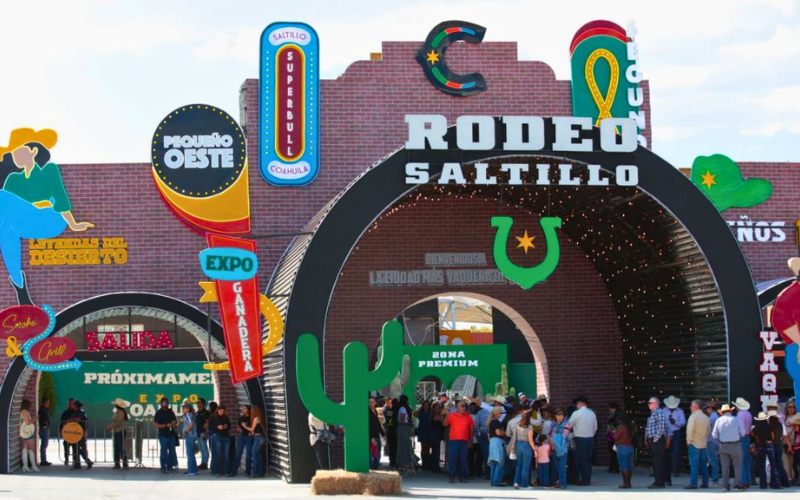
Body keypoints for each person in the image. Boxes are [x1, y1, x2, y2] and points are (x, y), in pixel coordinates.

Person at [0, 130, 94, 305]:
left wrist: (73, 224)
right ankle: (22, 292)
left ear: (33, 152)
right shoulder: (13, 180)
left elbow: (59, 198)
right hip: (25, 223)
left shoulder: (49, 170)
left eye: (19, 151)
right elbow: (10, 209)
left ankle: (20, 288)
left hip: (50, 220)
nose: (15, 155)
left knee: (2, 200)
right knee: (5, 230)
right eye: (13, 153)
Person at [712, 403, 745, 492]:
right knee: (737, 466)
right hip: (735, 445)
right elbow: (743, 433)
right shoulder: (736, 419)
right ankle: (738, 485)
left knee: (725, 466)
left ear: (722, 412)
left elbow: (714, 435)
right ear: (730, 411)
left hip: (723, 445)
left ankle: (725, 486)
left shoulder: (718, 420)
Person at [443, 399, 474, 483]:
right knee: (453, 458)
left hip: (464, 441)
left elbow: (472, 429)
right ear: (457, 407)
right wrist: (447, 415)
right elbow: (444, 423)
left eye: (465, 406)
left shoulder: (468, 417)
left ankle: (462, 476)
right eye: (462, 406)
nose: (464, 408)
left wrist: (470, 440)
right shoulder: (451, 416)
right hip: (454, 441)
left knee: (463, 459)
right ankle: (451, 476)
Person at [568, 395, 597, 486]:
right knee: (588, 459)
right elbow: (595, 427)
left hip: (580, 438)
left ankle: (585, 479)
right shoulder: (592, 413)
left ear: (580, 403)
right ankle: (587, 477)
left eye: (577, 404)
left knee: (581, 459)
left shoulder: (576, 413)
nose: (576, 405)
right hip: (590, 438)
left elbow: (569, 425)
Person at [645, 397, 670, 489]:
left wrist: (656, 438)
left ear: (656, 404)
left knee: (658, 462)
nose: (649, 404)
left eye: (650, 403)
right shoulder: (653, 414)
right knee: (656, 461)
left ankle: (659, 482)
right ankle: (659, 481)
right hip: (654, 440)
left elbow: (661, 426)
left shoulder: (659, 412)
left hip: (658, 440)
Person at [684, 399, 709, 489]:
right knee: (703, 464)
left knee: (694, 464)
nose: (690, 407)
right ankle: (705, 482)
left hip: (694, 443)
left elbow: (690, 430)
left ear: (695, 407)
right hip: (703, 443)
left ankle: (693, 483)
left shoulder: (693, 417)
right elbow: (708, 431)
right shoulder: (706, 417)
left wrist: (689, 441)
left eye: (691, 406)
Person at [751, 411, 780, 489]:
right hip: (769, 444)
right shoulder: (769, 427)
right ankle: (774, 483)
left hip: (761, 446)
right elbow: (773, 437)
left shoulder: (756, 428)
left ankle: (763, 484)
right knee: (772, 464)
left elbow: (756, 439)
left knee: (762, 465)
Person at [662, 395, 685, 482]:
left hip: (676, 432)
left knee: (676, 451)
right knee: (666, 451)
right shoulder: (664, 410)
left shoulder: (680, 411)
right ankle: (667, 469)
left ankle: (676, 470)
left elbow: (683, 423)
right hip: (666, 432)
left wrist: (675, 422)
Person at [732, 397, 752, 488]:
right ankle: (747, 480)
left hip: (741, 438)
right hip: (747, 437)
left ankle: (743, 481)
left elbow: (740, 427)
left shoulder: (740, 414)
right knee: (746, 460)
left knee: (740, 460)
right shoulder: (748, 413)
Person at [153, 397, 177, 474]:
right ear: (161, 404)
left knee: (172, 451)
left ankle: (170, 466)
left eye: (166, 402)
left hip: (171, 434)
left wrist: (174, 423)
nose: (165, 404)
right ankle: (163, 466)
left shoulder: (170, 411)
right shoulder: (158, 413)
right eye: (163, 402)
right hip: (163, 435)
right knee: (164, 451)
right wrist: (166, 425)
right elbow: (156, 425)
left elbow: (175, 420)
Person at [511, 410, 534, 489]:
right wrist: (534, 449)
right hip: (526, 445)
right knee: (526, 466)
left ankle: (516, 482)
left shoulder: (518, 424)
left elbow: (514, 436)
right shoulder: (529, 426)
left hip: (518, 444)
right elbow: (530, 439)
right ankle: (524, 484)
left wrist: (513, 447)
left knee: (519, 465)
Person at [549, 407, 571, 489]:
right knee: (556, 466)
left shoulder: (566, 424)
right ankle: (559, 482)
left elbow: (564, 435)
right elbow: (549, 434)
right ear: (555, 415)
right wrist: (550, 439)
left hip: (563, 447)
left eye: (561, 414)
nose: (560, 416)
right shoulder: (553, 424)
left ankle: (562, 483)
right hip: (554, 447)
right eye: (558, 414)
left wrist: (552, 439)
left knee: (562, 466)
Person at [767, 409, 791, 487]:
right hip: (779, 444)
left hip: (772, 445)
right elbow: (785, 436)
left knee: (773, 464)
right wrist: (789, 445)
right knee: (780, 463)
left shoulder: (769, 426)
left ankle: (776, 482)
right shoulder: (781, 425)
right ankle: (785, 481)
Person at [105, 398, 130, 470]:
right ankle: (117, 463)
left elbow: (118, 422)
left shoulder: (120, 412)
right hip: (117, 431)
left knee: (121, 447)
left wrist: (110, 427)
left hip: (120, 431)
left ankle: (124, 464)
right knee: (117, 447)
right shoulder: (119, 411)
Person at [209, 404, 231, 477]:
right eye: (220, 411)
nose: (221, 412)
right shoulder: (213, 417)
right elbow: (210, 427)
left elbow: (229, 426)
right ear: (217, 410)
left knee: (226, 455)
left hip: (225, 436)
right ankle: (216, 471)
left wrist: (226, 426)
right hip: (217, 436)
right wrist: (217, 427)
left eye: (223, 411)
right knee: (217, 454)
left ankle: (226, 471)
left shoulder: (226, 417)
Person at [231, 405, 253, 477]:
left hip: (249, 437)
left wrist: (247, 427)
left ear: (248, 410)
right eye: (242, 408)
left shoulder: (251, 418)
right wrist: (239, 429)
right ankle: (234, 471)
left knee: (249, 454)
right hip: (242, 436)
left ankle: (248, 472)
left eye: (245, 408)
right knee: (238, 453)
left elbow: (253, 427)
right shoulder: (241, 418)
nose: (243, 410)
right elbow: (238, 427)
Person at [395, 395, 415, 473]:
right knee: (405, 445)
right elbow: (402, 419)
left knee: (405, 445)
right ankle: (404, 462)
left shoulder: (400, 408)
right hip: (403, 428)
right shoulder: (403, 409)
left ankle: (405, 462)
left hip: (403, 428)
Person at [614, 412, 634, 488]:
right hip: (630, 447)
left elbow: (615, 437)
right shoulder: (631, 427)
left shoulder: (622, 427)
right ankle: (629, 482)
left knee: (624, 466)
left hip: (622, 448)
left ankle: (625, 483)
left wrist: (615, 431)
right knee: (629, 467)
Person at [487, 406, 506, 486]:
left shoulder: (490, 422)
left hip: (492, 442)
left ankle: (493, 481)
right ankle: (497, 481)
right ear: (497, 413)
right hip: (497, 442)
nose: (501, 414)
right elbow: (498, 433)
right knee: (499, 462)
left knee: (494, 463)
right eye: (500, 413)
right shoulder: (496, 422)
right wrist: (505, 433)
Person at [245, 405, 266, 478]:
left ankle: (255, 473)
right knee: (259, 455)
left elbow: (252, 429)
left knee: (255, 456)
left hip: (258, 438)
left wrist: (244, 426)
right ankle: (261, 472)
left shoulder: (256, 418)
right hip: (262, 437)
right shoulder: (262, 418)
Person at [19, 399, 39, 472]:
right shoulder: (26, 412)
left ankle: (25, 466)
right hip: (28, 433)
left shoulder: (22, 412)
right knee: (31, 449)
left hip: (24, 433)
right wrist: (35, 419)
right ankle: (33, 466)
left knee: (25, 448)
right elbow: (28, 422)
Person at [72, 400, 93, 470]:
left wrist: (70, 419)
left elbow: (78, 419)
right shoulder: (81, 411)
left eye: (74, 404)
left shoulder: (79, 412)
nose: (73, 406)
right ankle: (78, 463)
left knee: (77, 448)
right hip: (80, 432)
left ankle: (87, 461)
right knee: (77, 448)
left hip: (79, 433)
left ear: (76, 406)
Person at [704, 402, 721, 486]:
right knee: (713, 461)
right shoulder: (716, 417)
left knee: (712, 461)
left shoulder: (712, 418)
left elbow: (705, 428)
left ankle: (715, 480)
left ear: (710, 408)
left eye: (707, 408)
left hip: (710, 441)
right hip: (715, 441)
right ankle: (714, 479)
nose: (706, 410)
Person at [783, 399, 799, 484]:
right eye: (789, 407)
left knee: (795, 462)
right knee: (787, 461)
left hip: (795, 443)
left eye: (793, 407)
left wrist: (794, 424)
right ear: (787, 408)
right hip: (786, 441)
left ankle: (795, 478)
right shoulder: (785, 417)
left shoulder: (798, 415)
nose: (791, 408)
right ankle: (788, 478)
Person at [180, 402, 198, 476]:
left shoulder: (188, 415)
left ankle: (192, 471)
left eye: (184, 408)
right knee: (191, 453)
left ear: (187, 409)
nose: (182, 409)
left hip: (190, 435)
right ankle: (193, 469)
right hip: (192, 435)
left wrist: (186, 431)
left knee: (190, 453)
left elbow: (191, 424)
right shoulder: (189, 415)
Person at [369, 397, 386, 470]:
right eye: (369, 402)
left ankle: (376, 469)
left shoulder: (375, 411)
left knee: (377, 454)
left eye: (372, 402)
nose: (371, 403)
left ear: (375, 402)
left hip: (377, 435)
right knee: (372, 455)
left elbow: (378, 424)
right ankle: (373, 469)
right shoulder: (367, 412)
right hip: (372, 437)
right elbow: (368, 426)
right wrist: (371, 437)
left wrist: (383, 434)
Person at [60, 398, 77, 467]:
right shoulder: (65, 413)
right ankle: (66, 459)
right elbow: (61, 423)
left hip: (75, 433)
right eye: (69, 403)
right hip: (67, 433)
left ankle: (75, 460)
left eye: (71, 403)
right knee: (66, 447)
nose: (70, 404)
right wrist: (61, 431)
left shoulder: (77, 412)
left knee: (75, 447)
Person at [195, 398, 211, 471]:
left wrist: (206, 432)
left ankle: (205, 463)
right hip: (198, 432)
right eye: (197, 403)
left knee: (204, 448)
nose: (197, 404)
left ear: (203, 403)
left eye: (199, 402)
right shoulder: (197, 412)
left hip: (203, 432)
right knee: (201, 449)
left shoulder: (206, 412)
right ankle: (202, 462)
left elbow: (207, 422)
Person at [429, 402, 444, 472]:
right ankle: (435, 466)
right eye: (436, 408)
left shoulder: (434, 415)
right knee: (436, 450)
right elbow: (443, 421)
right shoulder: (436, 416)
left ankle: (434, 466)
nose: (438, 409)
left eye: (438, 408)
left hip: (435, 433)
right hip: (435, 434)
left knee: (435, 450)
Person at [382, 398, 397, 467]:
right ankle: (393, 461)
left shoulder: (390, 410)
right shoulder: (389, 411)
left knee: (392, 447)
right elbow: (389, 421)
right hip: (391, 430)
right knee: (392, 447)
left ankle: (392, 461)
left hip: (391, 430)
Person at [606, 402, 620, 474]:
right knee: (612, 452)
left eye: (611, 408)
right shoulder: (611, 415)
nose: (609, 409)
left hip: (613, 436)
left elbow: (616, 425)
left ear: (615, 409)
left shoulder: (616, 416)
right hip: (610, 436)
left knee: (614, 452)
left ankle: (614, 467)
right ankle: (612, 467)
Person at [37, 397, 51, 467]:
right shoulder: (42, 410)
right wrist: (47, 425)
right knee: (44, 444)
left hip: (45, 428)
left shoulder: (44, 409)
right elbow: (44, 419)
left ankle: (44, 459)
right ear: (45, 402)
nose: (49, 404)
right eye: (48, 402)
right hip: (44, 428)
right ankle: (43, 460)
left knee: (44, 444)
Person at [207, 401, 218, 473]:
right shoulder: (212, 415)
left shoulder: (213, 416)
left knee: (213, 450)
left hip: (212, 434)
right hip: (212, 433)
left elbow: (210, 426)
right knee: (213, 450)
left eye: (209, 407)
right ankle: (213, 466)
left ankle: (213, 466)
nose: (208, 408)